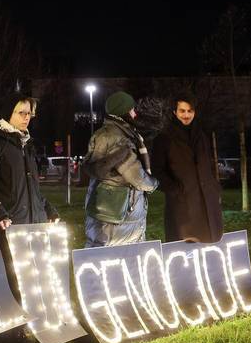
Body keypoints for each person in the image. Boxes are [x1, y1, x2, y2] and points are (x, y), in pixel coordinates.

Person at [0, 93, 59, 343]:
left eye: (29, 113)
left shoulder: (26, 145)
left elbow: (32, 190)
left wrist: (48, 209)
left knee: (28, 286)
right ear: (8, 113)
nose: (26, 117)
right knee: (10, 286)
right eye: (21, 112)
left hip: (32, 227)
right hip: (10, 228)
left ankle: (22, 338)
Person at [82, 91, 158, 247]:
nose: (134, 113)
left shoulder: (106, 133)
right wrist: (153, 184)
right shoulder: (118, 137)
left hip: (104, 211)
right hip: (117, 214)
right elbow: (136, 176)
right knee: (121, 254)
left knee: (100, 250)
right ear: (123, 111)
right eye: (132, 109)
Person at [151, 96, 224, 243]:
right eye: (182, 111)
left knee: (210, 243)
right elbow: (157, 170)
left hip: (207, 201)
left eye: (190, 111)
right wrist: (175, 189)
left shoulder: (201, 135)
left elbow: (209, 165)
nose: (186, 115)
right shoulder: (164, 138)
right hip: (183, 205)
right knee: (186, 247)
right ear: (174, 112)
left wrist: (215, 188)